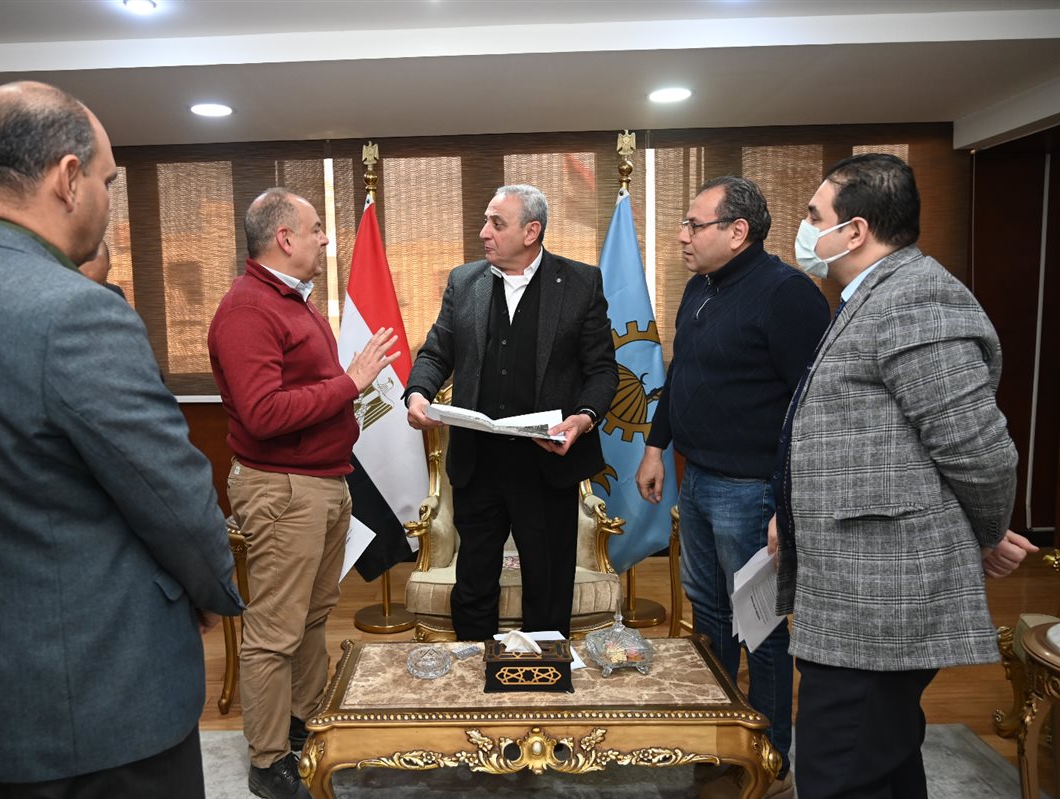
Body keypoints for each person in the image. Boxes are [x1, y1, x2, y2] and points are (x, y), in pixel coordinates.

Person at [0, 81, 243, 797]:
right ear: (68, 178)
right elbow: (175, 502)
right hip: (94, 711)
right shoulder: (77, 313)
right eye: (107, 181)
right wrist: (208, 588)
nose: (107, 200)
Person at [770, 153, 1037, 798]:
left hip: (880, 595)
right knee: (884, 762)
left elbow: (980, 451)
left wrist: (985, 533)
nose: (805, 228)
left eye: (814, 216)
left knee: (838, 770)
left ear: (855, 231)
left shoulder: (916, 298)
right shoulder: (873, 294)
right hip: (857, 587)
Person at [635, 176, 828, 798]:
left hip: (754, 493)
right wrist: (656, 446)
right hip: (696, 481)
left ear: (737, 231)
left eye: (694, 225)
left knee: (761, 629)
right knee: (711, 619)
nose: (682, 236)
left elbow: (811, 410)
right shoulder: (700, 286)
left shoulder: (788, 296)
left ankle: (769, 761)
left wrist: (787, 505)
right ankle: (720, 740)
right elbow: (680, 376)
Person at [207, 188, 399, 799]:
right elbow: (263, 413)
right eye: (315, 228)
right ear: (284, 238)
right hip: (283, 489)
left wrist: (347, 389)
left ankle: (302, 727)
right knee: (275, 631)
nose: (325, 238)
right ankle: (268, 763)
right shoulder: (248, 309)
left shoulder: (294, 300)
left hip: (321, 481)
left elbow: (306, 391)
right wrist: (351, 383)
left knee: (312, 618)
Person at [405, 183, 617, 642]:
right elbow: (436, 353)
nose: (484, 232)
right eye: (486, 221)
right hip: (478, 463)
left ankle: (545, 674)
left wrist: (582, 418)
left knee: (549, 586)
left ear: (531, 232)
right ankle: (473, 670)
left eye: (496, 224)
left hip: (547, 464)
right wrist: (417, 394)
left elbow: (602, 370)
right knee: (473, 584)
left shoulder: (580, 283)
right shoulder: (464, 282)